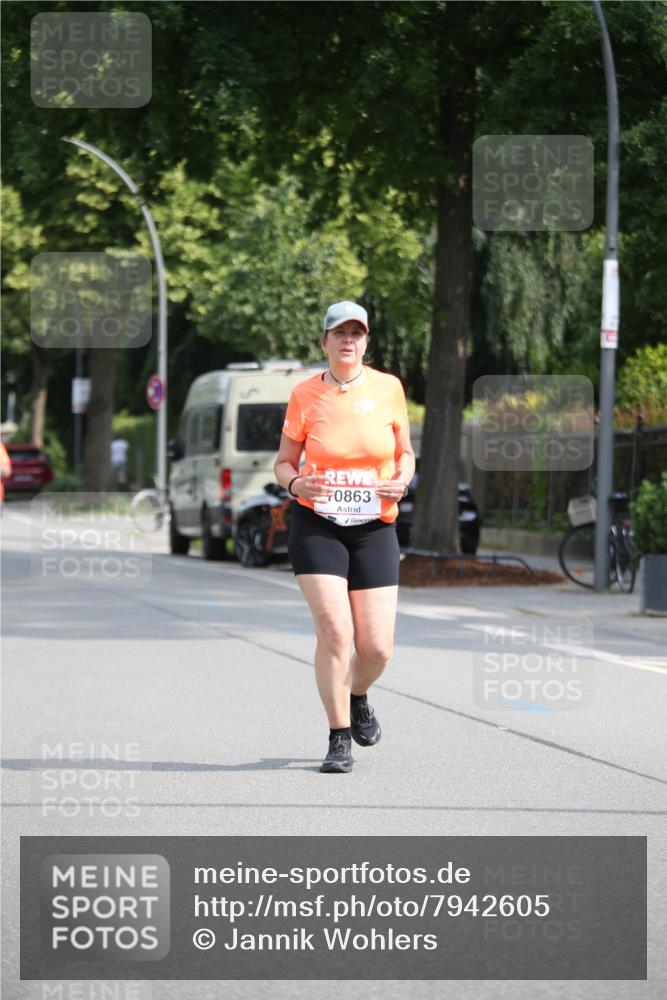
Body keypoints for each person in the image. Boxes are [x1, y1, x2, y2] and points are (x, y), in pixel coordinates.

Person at [274, 301, 416, 773]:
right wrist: (296, 484)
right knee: (335, 630)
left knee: (376, 647)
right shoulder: (304, 395)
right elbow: (283, 463)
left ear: (367, 341)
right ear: (325, 341)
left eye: (357, 332)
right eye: (340, 332)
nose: (348, 340)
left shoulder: (389, 389)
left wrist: (403, 479)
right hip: (318, 523)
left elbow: (405, 453)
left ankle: (358, 695)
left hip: (375, 525)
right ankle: (338, 737)